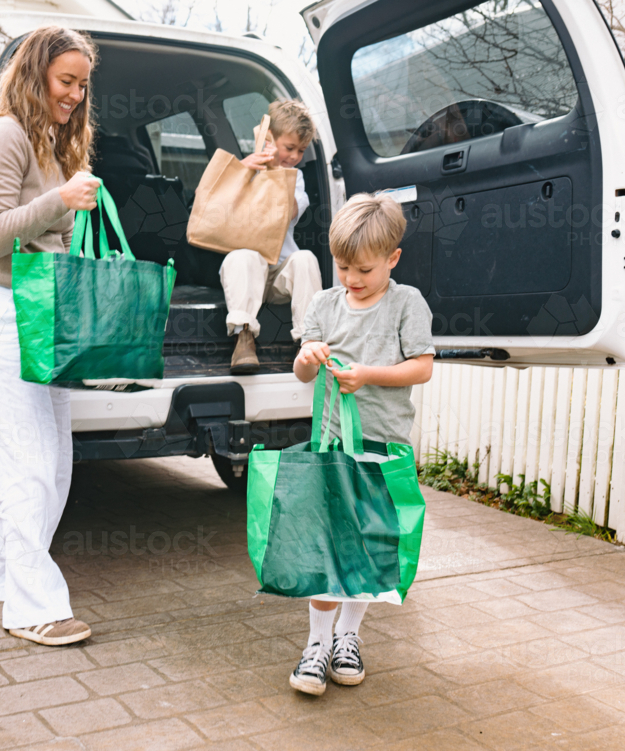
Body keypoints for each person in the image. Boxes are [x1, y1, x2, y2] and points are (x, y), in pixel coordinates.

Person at [0, 25, 101, 647]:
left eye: (81, 85)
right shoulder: (3, 134)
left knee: (53, 463)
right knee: (30, 463)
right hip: (0, 308)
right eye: (65, 81)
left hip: (42, 312)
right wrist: (61, 200)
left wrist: (68, 221)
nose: (74, 94)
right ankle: (31, 606)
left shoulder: (49, 138)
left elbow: (45, 236)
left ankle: (0, 576)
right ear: (34, 73)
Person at [289, 192, 435, 695]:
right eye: (344, 266)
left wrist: (368, 375)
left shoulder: (406, 303)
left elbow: (422, 366)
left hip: (382, 447)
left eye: (364, 270)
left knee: (366, 546)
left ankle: (348, 636)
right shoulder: (324, 304)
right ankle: (317, 643)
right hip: (332, 445)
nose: (352, 278)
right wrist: (309, 356)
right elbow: (303, 371)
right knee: (328, 544)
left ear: (392, 259)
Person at [221, 99, 323, 374]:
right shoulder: (246, 169)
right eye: (289, 148)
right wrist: (244, 169)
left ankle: (308, 341)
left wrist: (278, 172)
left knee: (305, 259)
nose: (294, 156)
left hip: (279, 273)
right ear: (269, 138)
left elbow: (287, 212)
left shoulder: (295, 178)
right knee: (242, 256)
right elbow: (218, 203)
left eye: (300, 151)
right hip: (248, 271)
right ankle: (243, 338)